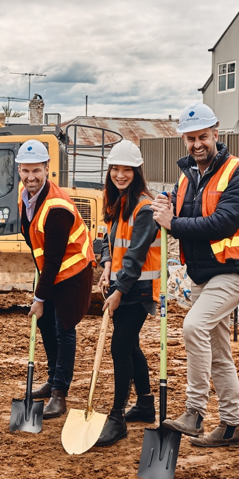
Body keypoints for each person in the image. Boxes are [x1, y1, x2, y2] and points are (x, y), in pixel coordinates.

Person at [152, 103, 239, 448]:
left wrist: (172, 223)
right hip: (203, 274)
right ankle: (232, 427)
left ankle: (194, 412)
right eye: (190, 139)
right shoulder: (187, 177)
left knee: (193, 326)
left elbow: (221, 223)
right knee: (218, 352)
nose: (197, 144)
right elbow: (178, 211)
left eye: (203, 136)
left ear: (216, 133)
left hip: (235, 271)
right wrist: (164, 205)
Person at [17, 139, 94, 418]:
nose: (30, 177)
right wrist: (42, 292)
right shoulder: (24, 195)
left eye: (36, 170)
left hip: (73, 271)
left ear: (47, 168)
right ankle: (52, 379)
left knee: (63, 328)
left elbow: (54, 257)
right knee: (46, 325)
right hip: (50, 269)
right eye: (25, 171)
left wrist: (39, 298)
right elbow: (35, 243)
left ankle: (60, 393)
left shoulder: (57, 207)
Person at [95, 140, 160, 447]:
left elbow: (135, 257)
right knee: (130, 345)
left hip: (140, 290)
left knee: (120, 348)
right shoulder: (117, 201)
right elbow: (106, 240)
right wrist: (106, 265)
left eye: (126, 170)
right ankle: (145, 404)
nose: (120, 175)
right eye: (115, 169)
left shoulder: (145, 208)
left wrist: (118, 290)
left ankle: (117, 416)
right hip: (122, 284)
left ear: (137, 171)